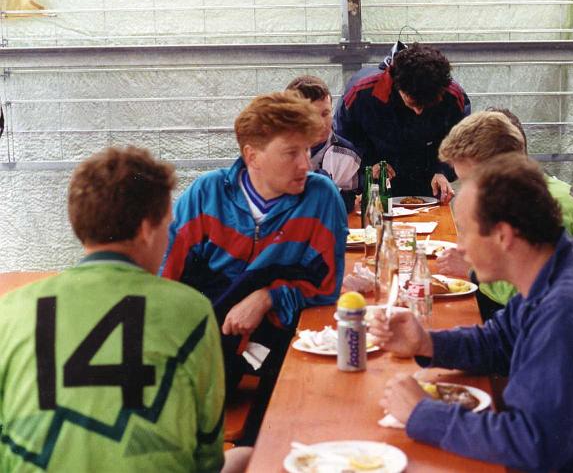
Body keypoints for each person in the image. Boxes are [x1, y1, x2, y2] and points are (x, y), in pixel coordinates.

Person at [370, 153, 573, 472]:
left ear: (504, 235)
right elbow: (499, 341)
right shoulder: (558, 270)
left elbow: (533, 443)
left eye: (465, 231)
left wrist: (423, 414)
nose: (460, 246)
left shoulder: (568, 310)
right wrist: (425, 342)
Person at [0, 147, 249, 472]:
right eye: (167, 225)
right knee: (245, 455)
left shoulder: (11, 310)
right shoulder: (191, 310)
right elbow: (207, 456)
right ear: (147, 229)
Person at [161, 92, 347, 398]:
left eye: (307, 150)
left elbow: (326, 286)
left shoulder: (321, 197)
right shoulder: (206, 194)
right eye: (291, 153)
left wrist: (268, 298)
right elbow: (165, 280)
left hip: (281, 343)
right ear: (252, 156)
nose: (306, 165)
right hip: (204, 345)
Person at [436, 110, 573, 311]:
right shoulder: (533, 191)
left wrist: (472, 272)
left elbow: (534, 300)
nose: (467, 191)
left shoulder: (548, 210)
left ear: (500, 169)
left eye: (470, 181)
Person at [333, 41, 470, 203]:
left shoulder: (454, 97)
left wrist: (443, 171)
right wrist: (366, 170)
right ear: (397, 85)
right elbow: (343, 140)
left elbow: (460, 144)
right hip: (375, 185)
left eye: (427, 104)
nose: (419, 111)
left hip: (430, 183)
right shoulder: (361, 92)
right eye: (413, 103)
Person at [286, 75, 362, 212]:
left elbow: (348, 205)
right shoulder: (274, 152)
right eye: (312, 115)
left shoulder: (348, 155)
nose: (321, 123)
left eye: (325, 113)